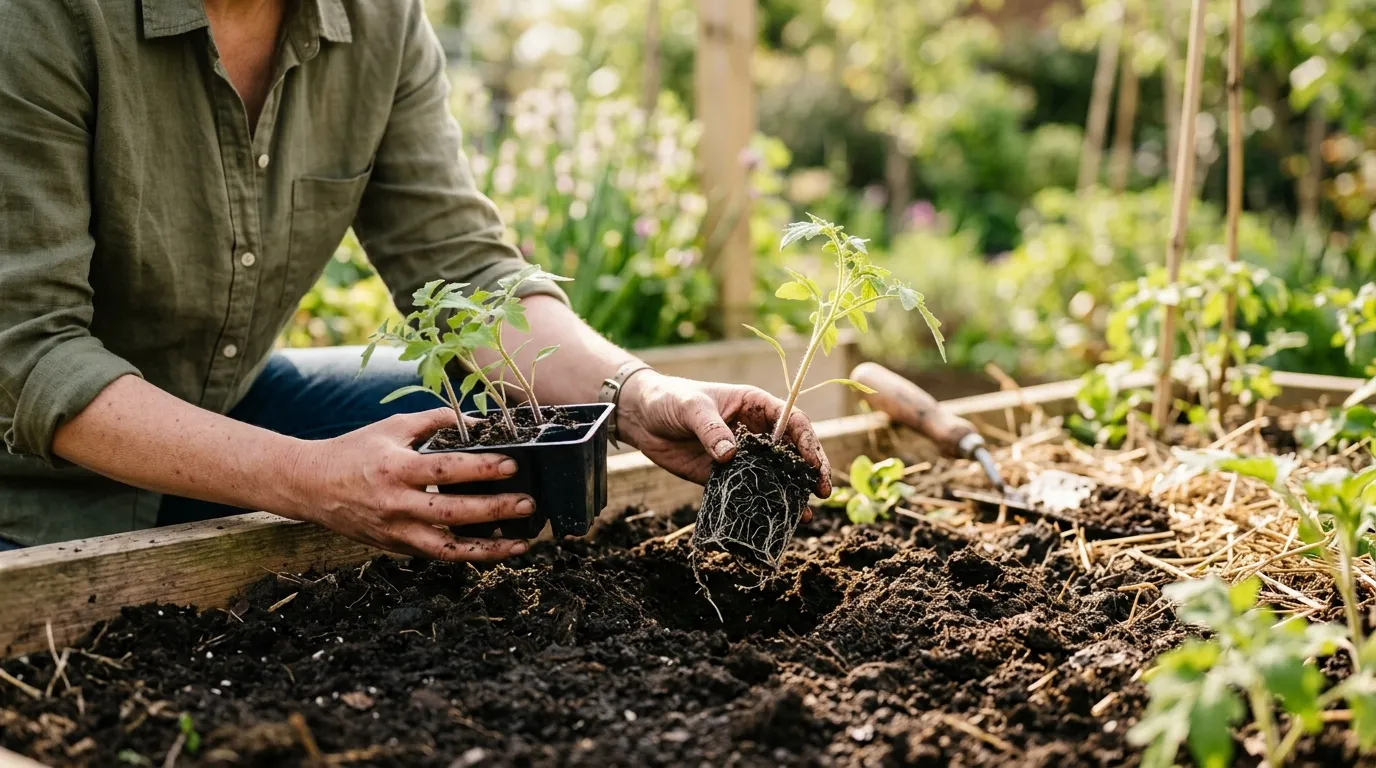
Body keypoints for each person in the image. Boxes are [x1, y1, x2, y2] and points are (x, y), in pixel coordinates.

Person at [0, 0, 831, 556]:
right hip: (30, 483)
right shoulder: (39, 22)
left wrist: (633, 392)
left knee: (498, 426)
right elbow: (31, 352)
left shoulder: (377, 19)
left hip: (223, 407)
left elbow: (463, 268)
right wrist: (305, 479)